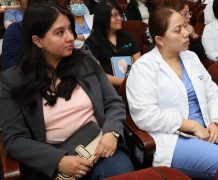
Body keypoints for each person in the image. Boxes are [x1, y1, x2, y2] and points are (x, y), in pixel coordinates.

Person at [0, 2, 134, 179]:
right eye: (59, 32)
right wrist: (59, 161)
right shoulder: (12, 81)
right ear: (37, 41)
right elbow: (15, 139)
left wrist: (111, 132)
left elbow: (113, 101)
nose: (70, 37)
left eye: (70, 29)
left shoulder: (84, 61)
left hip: (99, 145)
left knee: (119, 172)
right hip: (54, 158)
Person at [126, 7, 218, 179]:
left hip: (207, 131)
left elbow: (213, 93)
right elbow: (146, 115)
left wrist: (215, 122)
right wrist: (192, 126)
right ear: (160, 39)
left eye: (184, 26)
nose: (186, 33)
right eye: (178, 30)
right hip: (172, 138)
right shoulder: (143, 68)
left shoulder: (191, 58)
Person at [85, 0, 141, 86]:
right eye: (115, 15)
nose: (119, 18)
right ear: (103, 18)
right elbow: (99, 74)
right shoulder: (91, 42)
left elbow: (138, 62)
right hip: (109, 87)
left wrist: (132, 81)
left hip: (134, 82)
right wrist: (124, 84)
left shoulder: (127, 36)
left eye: (119, 14)